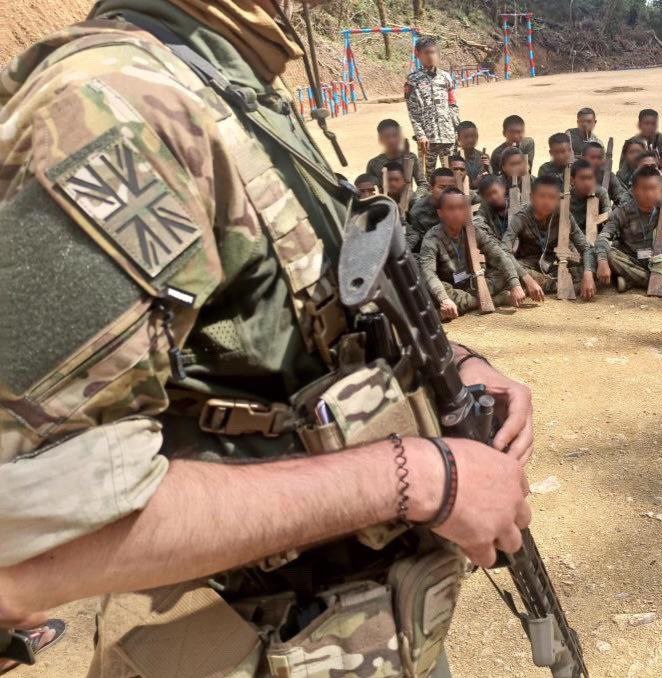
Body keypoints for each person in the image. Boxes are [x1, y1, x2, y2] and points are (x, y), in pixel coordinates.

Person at [0, 2, 534, 677]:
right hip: (238, 642)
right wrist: (415, 477)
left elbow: (300, 326)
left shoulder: (226, 80)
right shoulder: (122, 109)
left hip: (351, 631)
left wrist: (458, 364)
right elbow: (25, 541)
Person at [420, 188, 525, 319]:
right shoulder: (432, 238)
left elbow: (498, 255)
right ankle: (498, 299)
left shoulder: (473, 231)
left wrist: (515, 284)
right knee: (430, 288)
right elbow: (428, 273)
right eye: (450, 208)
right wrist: (444, 299)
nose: (456, 212)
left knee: (505, 272)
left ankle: (467, 304)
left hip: (473, 283)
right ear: (440, 213)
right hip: (451, 289)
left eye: (460, 208)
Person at [502, 175, 597, 301]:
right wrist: (527, 279)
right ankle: (559, 286)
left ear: (558, 199)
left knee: (597, 259)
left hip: (555, 266)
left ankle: (548, 285)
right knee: (503, 271)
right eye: (541, 196)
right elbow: (504, 250)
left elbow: (585, 248)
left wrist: (588, 273)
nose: (546, 201)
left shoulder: (564, 215)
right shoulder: (521, 218)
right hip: (529, 267)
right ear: (532, 197)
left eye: (552, 197)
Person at [596, 166, 662, 296]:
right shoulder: (622, 211)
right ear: (633, 190)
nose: (649, 193)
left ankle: (632, 281)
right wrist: (602, 261)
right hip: (631, 261)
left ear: (661, 190)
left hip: (661, 262)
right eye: (644, 189)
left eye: (653, 188)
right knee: (609, 254)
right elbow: (603, 237)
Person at [477, 175, 547, 303]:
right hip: (503, 259)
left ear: (503, 189)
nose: (492, 197)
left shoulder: (521, 206)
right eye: (487, 195)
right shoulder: (485, 210)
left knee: (504, 275)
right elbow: (478, 224)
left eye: (494, 192)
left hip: (528, 259)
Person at [405, 36, 460, 178]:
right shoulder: (412, 80)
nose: (431, 56)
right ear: (418, 54)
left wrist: (457, 129)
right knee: (427, 179)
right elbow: (412, 111)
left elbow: (453, 105)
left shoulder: (446, 77)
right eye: (427, 52)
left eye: (434, 52)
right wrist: (420, 135)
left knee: (451, 176)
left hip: (448, 137)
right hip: (427, 141)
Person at [365, 118, 428, 195]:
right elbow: (369, 189)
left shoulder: (411, 158)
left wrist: (414, 198)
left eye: (394, 135)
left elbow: (423, 184)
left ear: (400, 136)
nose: (391, 140)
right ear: (380, 139)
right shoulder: (374, 164)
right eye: (387, 136)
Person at [407, 167, 457, 253]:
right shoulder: (418, 212)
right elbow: (420, 246)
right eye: (442, 187)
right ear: (431, 188)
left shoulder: (458, 203)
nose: (447, 192)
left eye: (451, 188)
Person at [569, 159, 612, 233]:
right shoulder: (566, 196)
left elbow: (609, 214)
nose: (587, 183)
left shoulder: (600, 193)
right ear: (572, 180)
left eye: (590, 178)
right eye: (582, 178)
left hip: (596, 238)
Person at [582, 141, 629, 206]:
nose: (596, 161)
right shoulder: (575, 176)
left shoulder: (609, 176)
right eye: (592, 157)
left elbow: (621, 197)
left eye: (599, 158)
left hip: (603, 214)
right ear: (583, 159)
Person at [456, 121, 490, 188]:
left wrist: (487, 171)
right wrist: (474, 184)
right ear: (459, 138)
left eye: (473, 136)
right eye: (466, 137)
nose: (470, 140)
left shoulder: (484, 156)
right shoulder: (454, 159)